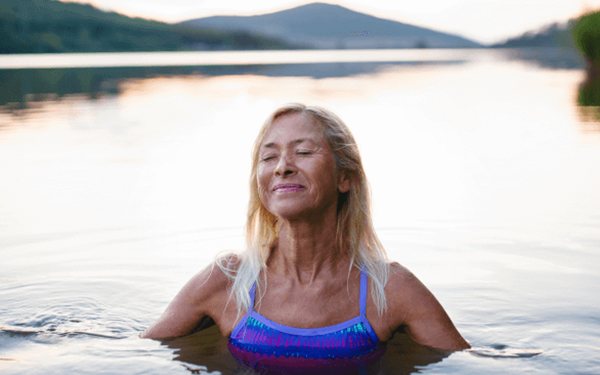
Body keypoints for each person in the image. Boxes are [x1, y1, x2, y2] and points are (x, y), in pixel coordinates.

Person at [141, 103, 469, 372]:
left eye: (303, 152)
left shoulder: (392, 288)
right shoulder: (225, 281)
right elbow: (140, 357)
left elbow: (465, 367)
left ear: (345, 176)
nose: (282, 166)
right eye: (269, 157)